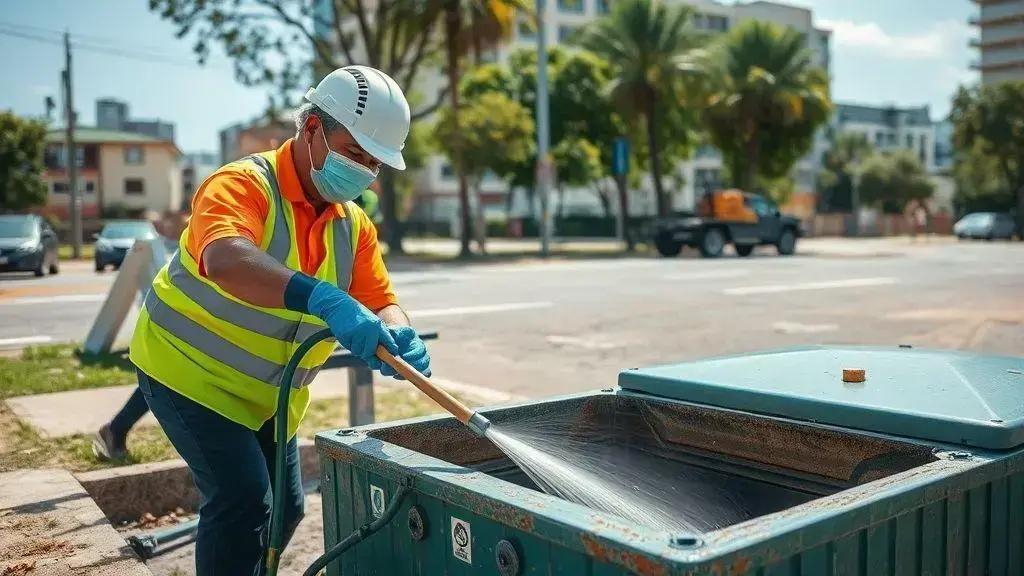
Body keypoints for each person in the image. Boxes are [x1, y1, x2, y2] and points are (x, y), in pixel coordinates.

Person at [128, 65, 430, 575]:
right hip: (187, 374)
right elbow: (224, 256)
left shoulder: (351, 223)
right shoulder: (243, 184)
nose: (362, 171)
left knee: (285, 510)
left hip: (271, 397)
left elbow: (380, 297)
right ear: (312, 128)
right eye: (354, 154)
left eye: (374, 163)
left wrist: (397, 328)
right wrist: (323, 298)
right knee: (243, 498)